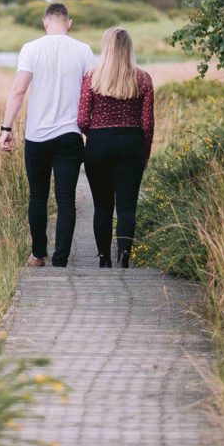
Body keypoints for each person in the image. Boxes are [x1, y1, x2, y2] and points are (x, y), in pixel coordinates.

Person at [0, 2, 96, 268]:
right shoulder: (84, 51)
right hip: (70, 134)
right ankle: (61, 259)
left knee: (38, 196)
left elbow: (18, 90)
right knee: (66, 197)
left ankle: (38, 254)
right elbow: (93, 93)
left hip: (37, 136)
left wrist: (6, 128)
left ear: (45, 22)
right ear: (69, 22)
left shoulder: (31, 49)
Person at [77, 27, 155, 269]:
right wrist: (144, 153)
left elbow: (81, 119)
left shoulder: (93, 77)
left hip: (99, 143)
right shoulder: (142, 78)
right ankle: (124, 257)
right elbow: (147, 123)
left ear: (107, 48)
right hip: (131, 143)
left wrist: (97, 135)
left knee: (101, 206)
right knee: (127, 206)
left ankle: (103, 258)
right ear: (129, 48)